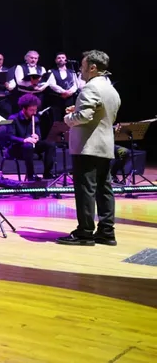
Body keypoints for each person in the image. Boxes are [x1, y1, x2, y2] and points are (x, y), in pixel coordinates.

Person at [58, 50, 119, 246]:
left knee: (85, 190)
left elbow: (84, 117)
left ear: (92, 67)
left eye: (83, 66)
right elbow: (103, 115)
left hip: (88, 148)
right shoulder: (110, 88)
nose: (80, 70)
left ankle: (85, 233)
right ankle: (106, 232)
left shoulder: (90, 88)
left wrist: (69, 118)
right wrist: (78, 110)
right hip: (105, 145)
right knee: (104, 189)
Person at [0, 93, 56, 181]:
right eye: (31, 110)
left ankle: (47, 173)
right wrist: (24, 140)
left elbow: (39, 136)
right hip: (16, 148)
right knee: (28, 146)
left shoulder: (35, 119)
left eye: (35, 110)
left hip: (30, 147)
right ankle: (31, 175)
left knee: (50, 144)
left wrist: (37, 137)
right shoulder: (13, 118)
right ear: (24, 109)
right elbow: (10, 137)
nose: (34, 112)